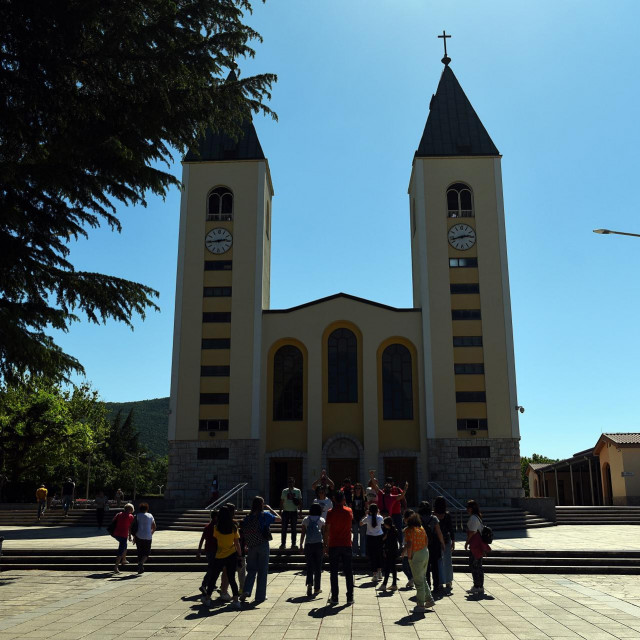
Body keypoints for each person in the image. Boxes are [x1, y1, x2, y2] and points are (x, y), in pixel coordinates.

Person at [241, 496, 279, 604]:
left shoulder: (248, 517)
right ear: (261, 505)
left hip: (252, 545)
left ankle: (247, 590)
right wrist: (270, 509)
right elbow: (279, 518)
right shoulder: (264, 515)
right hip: (262, 544)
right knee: (262, 570)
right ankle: (260, 596)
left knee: (251, 569)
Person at [203, 505, 242, 608]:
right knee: (232, 578)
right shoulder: (234, 527)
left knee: (213, 578)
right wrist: (240, 555)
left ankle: (207, 598)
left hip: (220, 555)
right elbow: (237, 543)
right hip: (231, 554)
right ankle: (236, 600)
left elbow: (216, 539)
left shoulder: (217, 527)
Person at [324, 490, 354, 605]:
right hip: (346, 544)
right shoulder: (349, 511)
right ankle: (350, 597)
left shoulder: (330, 512)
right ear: (344, 500)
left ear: (334, 500)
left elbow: (326, 530)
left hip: (334, 545)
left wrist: (325, 545)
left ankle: (335, 597)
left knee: (334, 572)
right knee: (348, 572)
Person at [404, 513, 435, 613]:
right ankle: (429, 599)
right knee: (423, 577)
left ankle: (421, 605)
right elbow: (426, 541)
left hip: (416, 554)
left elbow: (409, 545)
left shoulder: (409, 530)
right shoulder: (421, 528)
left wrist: (409, 557)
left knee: (418, 581)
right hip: (425, 552)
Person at [418, 501, 445, 595]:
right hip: (434, 545)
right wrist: (442, 543)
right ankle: (436, 586)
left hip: (422, 545)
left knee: (425, 567)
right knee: (435, 566)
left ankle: (427, 585)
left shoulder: (418, 519)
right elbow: (439, 532)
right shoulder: (434, 518)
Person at [465, 499, 490, 595]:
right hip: (478, 544)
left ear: (471, 508)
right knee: (478, 565)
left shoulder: (473, 518)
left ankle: (477, 586)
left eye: (468, 508)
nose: (467, 509)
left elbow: (472, 532)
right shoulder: (477, 517)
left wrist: (467, 542)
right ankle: (479, 586)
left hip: (475, 544)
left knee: (474, 565)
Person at [300, 503, 325, 598]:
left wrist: (301, 544)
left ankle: (309, 584)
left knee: (309, 566)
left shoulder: (306, 519)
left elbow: (303, 533)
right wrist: (326, 545)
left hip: (308, 545)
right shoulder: (321, 520)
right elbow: (324, 534)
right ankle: (317, 588)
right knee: (318, 567)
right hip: (318, 544)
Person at [434, 496, 455, 591]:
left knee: (439, 562)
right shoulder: (447, 515)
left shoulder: (434, 516)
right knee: (448, 561)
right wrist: (453, 541)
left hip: (437, 540)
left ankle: (440, 581)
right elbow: (451, 529)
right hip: (446, 539)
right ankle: (448, 581)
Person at [377, 480, 408, 544]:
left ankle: (399, 543)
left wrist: (405, 489)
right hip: (384, 517)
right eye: (386, 486)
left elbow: (401, 496)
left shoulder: (392, 496)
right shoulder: (381, 494)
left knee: (397, 530)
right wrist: (371, 476)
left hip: (393, 515)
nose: (387, 487)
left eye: (389, 487)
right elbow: (376, 487)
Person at [197, 509, 219, 596]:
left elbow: (202, 539)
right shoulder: (216, 527)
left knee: (213, 567)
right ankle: (204, 584)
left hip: (208, 550)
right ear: (215, 517)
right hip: (214, 550)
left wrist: (199, 551)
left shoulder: (207, 527)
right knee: (212, 568)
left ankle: (211, 584)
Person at [360, 503, 384, 582]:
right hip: (379, 537)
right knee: (379, 554)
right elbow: (383, 522)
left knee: (373, 556)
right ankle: (380, 572)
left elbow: (361, 523)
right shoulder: (380, 517)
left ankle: (374, 574)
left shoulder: (368, 518)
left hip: (370, 538)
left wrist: (366, 515)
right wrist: (378, 513)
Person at [279, 477, 302, 549]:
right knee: (284, 529)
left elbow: (300, 502)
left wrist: (300, 511)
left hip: (294, 512)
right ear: (287, 483)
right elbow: (282, 501)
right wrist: (280, 511)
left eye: (292, 482)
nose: (290, 483)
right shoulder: (284, 491)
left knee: (294, 529)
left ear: (294, 483)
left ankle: (294, 544)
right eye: (289, 482)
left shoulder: (298, 491)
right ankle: (283, 544)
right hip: (285, 512)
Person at [111, 503, 134, 573]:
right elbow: (130, 527)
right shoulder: (130, 516)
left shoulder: (119, 514)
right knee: (121, 550)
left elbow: (113, 521)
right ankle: (116, 567)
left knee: (125, 545)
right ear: (130, 510)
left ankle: (124, 559)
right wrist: (130, 536)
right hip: (123, 535)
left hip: (116, 534)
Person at [133, 502, 156, 573]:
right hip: (148, 536)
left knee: (140, 552)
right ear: (147, 509)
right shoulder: (150, 515)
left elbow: (134, 526)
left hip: (138, 536)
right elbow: (154, 526)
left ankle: (140, 567)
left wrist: (133, 536)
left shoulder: (137, 515)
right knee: (147, 552)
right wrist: (151, 533)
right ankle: (141, 564)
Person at [380, 517, 400, 592]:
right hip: (394, 551)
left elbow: (385, 541)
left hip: (389, 551)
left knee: (388, 568)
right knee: (393, 568)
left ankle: (384, 584)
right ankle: (393, 584)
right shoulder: (394, 530)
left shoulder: (389, 532)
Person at [351, 482, 367, 556]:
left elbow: (367, 509)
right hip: (354, 518)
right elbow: (350, 508)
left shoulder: (364, 497)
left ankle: (363, 552)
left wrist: (363, 518)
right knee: (355, 536)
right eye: (356, 488)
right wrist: (352, 517)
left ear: (361, 489)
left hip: (362, 518)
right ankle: (355, 551)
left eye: (359, 488)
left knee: (363, 536)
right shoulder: (352, 497)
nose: (357, 490)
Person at [401, 509, 414, 588]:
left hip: (408, 552)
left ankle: (411, 578)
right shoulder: (417, 528)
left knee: (405, 567)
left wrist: (403, 551)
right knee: (410, 567)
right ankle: (411, 579)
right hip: (415, 550)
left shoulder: (407, 530)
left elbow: (408, 543)